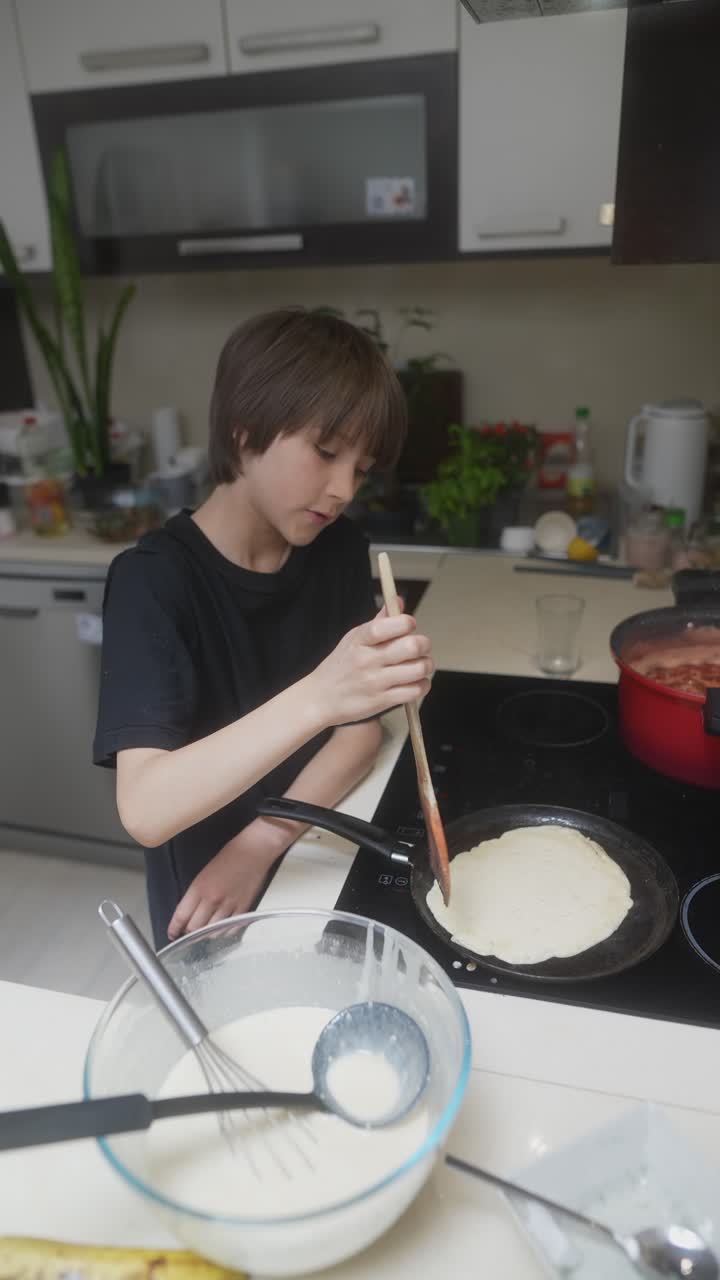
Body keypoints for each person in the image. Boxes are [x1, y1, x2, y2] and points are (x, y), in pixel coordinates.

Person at [93, 308, 433, 947]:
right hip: (206, 897)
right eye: (326, 453)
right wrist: (322, 696)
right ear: (244, 430)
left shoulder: (337, 547)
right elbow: (145, 809)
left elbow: (357, 738)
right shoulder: (153, 581)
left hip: (307, 846)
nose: (342, 490)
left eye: (360, 469)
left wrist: (262, 841)